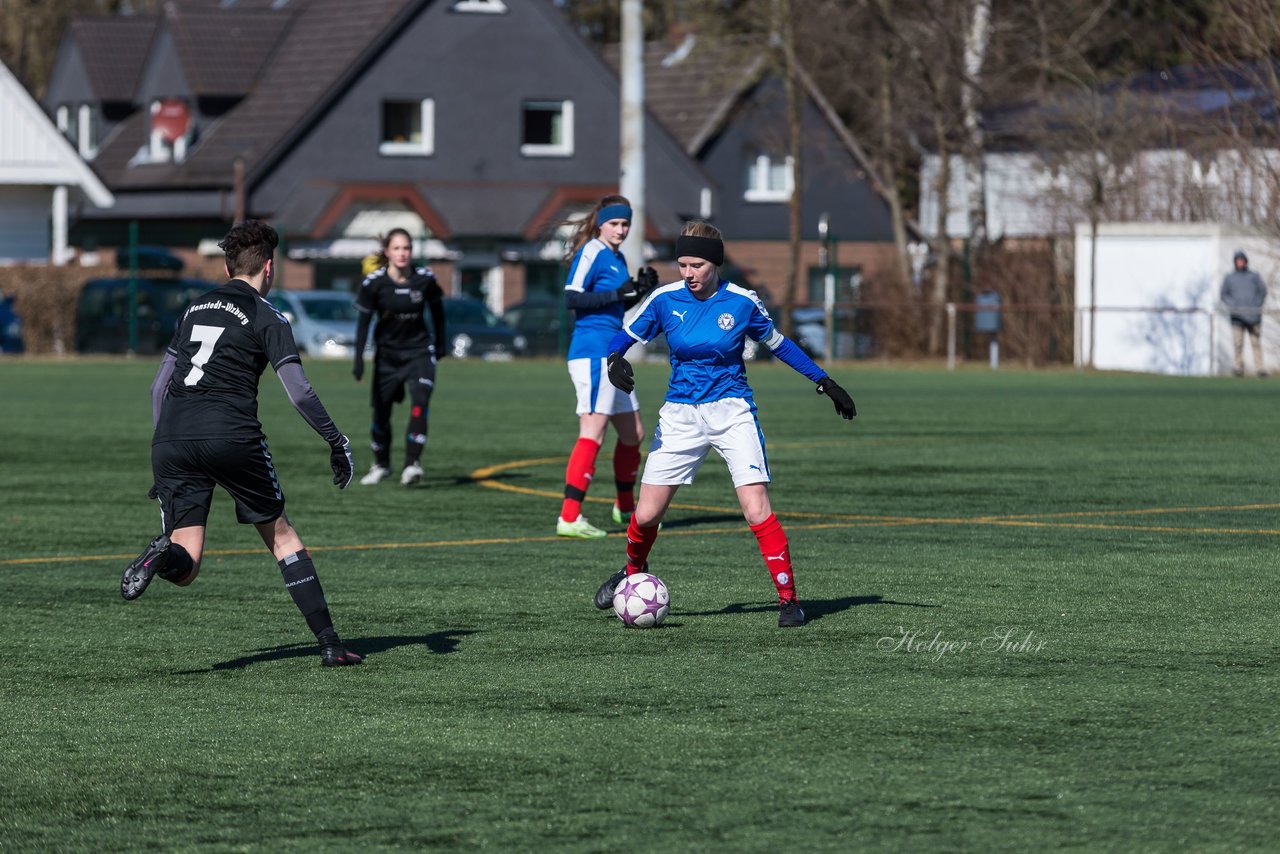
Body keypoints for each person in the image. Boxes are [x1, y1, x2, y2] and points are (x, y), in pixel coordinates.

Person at [120, 219, 363, 667]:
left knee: (186, 564)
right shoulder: (267, 316)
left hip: (172, 437)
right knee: (282, 537)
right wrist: (336, 440)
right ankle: (330, 644)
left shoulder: (193, 308)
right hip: (230, 435)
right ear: (268, 268)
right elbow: (299, 391)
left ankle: (159, 557)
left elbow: (159, 388)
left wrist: (164, 446)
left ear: (230, 266)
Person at [591, 221, 856, 627]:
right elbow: (622, 337)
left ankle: (788, 601)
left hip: (732, 412)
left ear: (715, 263)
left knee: (755, 509)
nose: (688, 273)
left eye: (696, 264)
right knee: (645, 516)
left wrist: (824, 381)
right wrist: (614, 361)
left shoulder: (742, 302)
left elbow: (780, 345)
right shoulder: (664, 300)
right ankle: (630, 576)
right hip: (680, 415)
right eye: (682, 264)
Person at [556, 194, 659, 538]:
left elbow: (614, 301)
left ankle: (624, 508)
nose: (621, 229)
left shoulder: (615, 258)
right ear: (601, 223)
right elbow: (573, 297)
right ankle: (569, 517)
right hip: (592, 352)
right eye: (615, 223)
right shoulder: (592, 251)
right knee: (593, 432)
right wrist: (619, 294)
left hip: (611, 354)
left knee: (634, 434)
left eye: (625, 224)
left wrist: (639, 292)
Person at [352, 228, 447, 485]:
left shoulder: (425, 279)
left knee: (420, 401)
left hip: (419, 352)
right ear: (387, 252)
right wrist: (359, 360)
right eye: (397, 248)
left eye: (406, 248)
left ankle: (412, 465)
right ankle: (381, 464)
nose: (402, 253)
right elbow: (363, 324)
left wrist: (441, 344)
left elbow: (438, 313)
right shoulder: (374, 284)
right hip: (387, 357)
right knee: (381, 413)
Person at [1220, 249, 1267, 377]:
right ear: (1235, 262)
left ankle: (1260, 368)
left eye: (1242, 260)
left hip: (1253, 316)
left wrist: (1256, 306)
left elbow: (1262, 292)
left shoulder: (1254, 276)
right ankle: (1238, 367)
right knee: (1238, 343)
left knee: (1256, 343)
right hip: (1237, 317)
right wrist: (1234, 306)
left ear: (1246, 261)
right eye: (1238, 260)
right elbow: (1224, 294)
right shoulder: (1229, 278)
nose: (1240, 262)